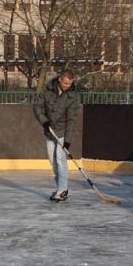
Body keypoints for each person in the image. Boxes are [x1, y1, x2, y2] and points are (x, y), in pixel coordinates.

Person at [33, 69, 82, 202]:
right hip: (50, 132)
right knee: (53, 162)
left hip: (62, 133)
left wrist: (67, 141)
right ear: (60, 80)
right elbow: (37, 107)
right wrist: (44, 121)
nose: (67, 86)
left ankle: (62, 190)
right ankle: (60, 187)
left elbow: (72, 120)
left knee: (61, 161)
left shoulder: (73, 97)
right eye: (65, 83)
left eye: (70, 84)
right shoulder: (47, 90)